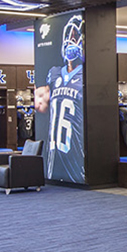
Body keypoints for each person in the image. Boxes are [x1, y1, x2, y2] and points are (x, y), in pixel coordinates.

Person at [34, 15, 86, 183]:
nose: (71, 43)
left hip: (75, 150)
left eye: (75, 38)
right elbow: (40, 103)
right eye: (69, 38)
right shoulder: (55, 74)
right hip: (53, 150)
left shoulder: (84, 76)